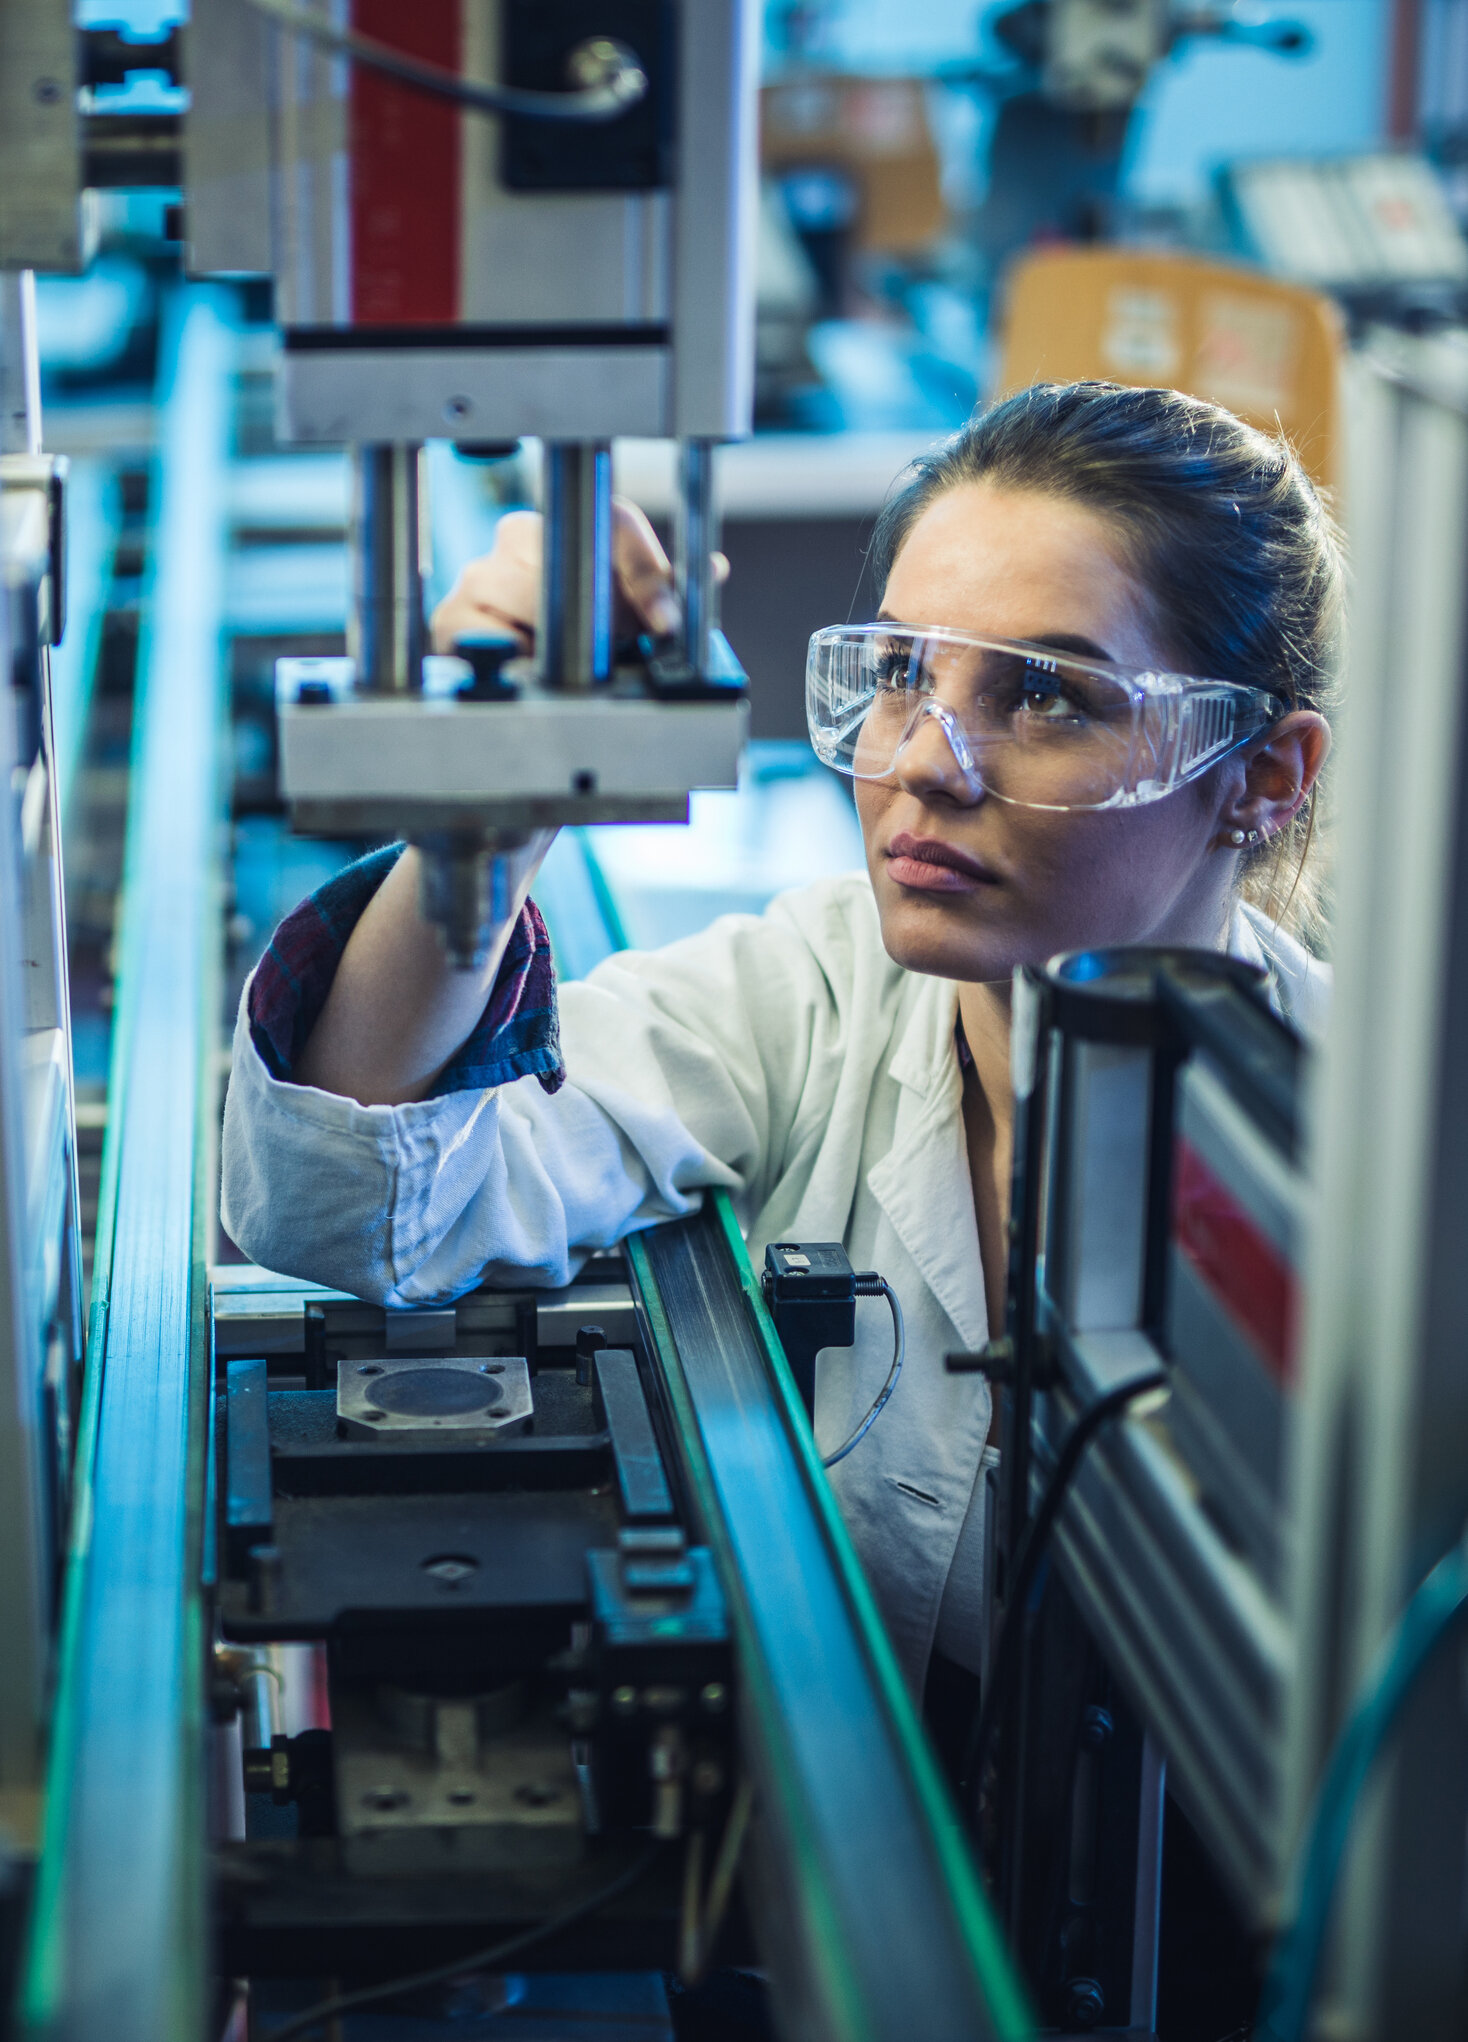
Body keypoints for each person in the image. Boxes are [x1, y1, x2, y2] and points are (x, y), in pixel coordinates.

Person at [222, 380, 1337, 1704]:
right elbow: (351, 1202)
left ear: (1264, 776)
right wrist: (482, 832)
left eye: (1045, 694)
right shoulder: (805, 995)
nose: (925, 762)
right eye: (904, 673)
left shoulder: (1373, 1166)